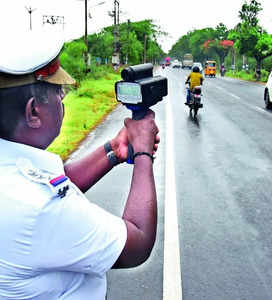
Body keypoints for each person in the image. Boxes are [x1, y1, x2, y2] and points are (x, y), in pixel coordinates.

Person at [0, 30, 160, 299]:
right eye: (57, 92)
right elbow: (137, 241)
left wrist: (113, 150)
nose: (62, 97)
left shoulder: (16, 178)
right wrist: (143, 154)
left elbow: (56, 183)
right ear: (33, 112)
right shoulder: (41, 209)